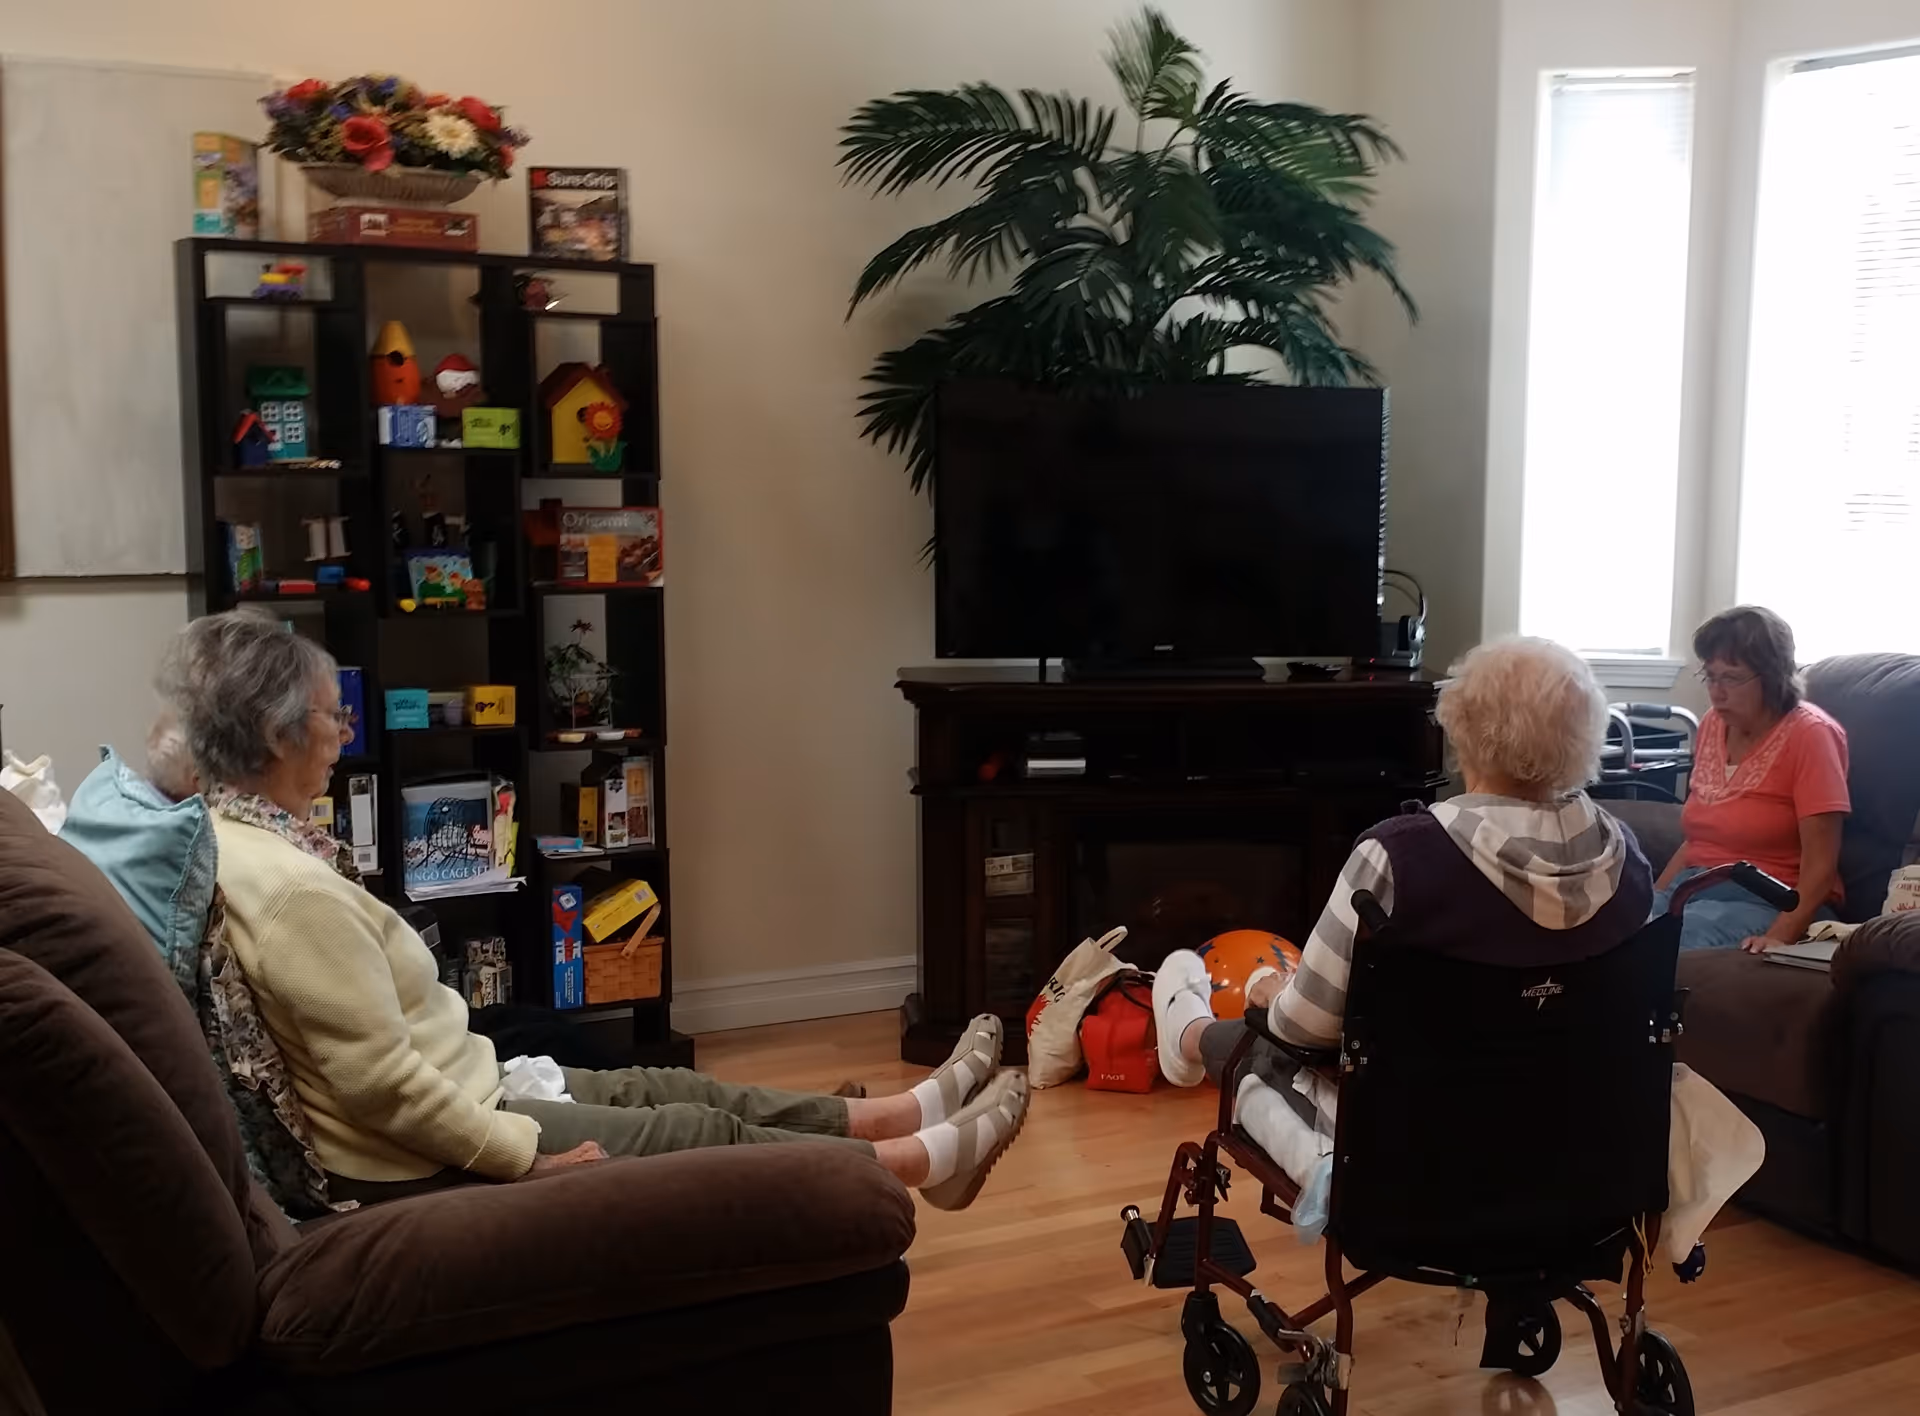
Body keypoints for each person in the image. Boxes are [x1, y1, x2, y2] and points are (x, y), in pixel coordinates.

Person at [159, 610, 1027, 1210]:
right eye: (328, 715)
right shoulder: (294, 893)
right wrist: (521, 1158)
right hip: (436, 1143)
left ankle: (898, 1115)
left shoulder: (247, 840)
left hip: (469, 1083)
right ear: (275, 736)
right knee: (690, 1127)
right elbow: (385, 1092)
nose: (344, 731)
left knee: (666, 1086)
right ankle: (910, 1163)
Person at [1151, 637, 1654, 1160]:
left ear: (1465, 730)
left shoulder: (1398, 856)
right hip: (1575, 1137)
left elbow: (1304, 1027)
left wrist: (1272, 991)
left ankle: (1191, 1032)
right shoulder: (1627, 862)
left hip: (1417, 1146)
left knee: (1276, 1039)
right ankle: (1193, 1033)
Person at [1653, 607, 1848, 952]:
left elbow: (1821, 868)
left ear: (1772, 676)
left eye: (1731, 678)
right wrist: (1655, 896)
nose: (1716, 692)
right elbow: (1695, 840)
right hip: (1693, 887)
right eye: (1710, 676)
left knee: (1663, 946)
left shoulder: (1812, 735)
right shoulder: (1713, 723)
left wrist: (1779, 937)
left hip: (1768, 899)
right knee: (1613, 929)